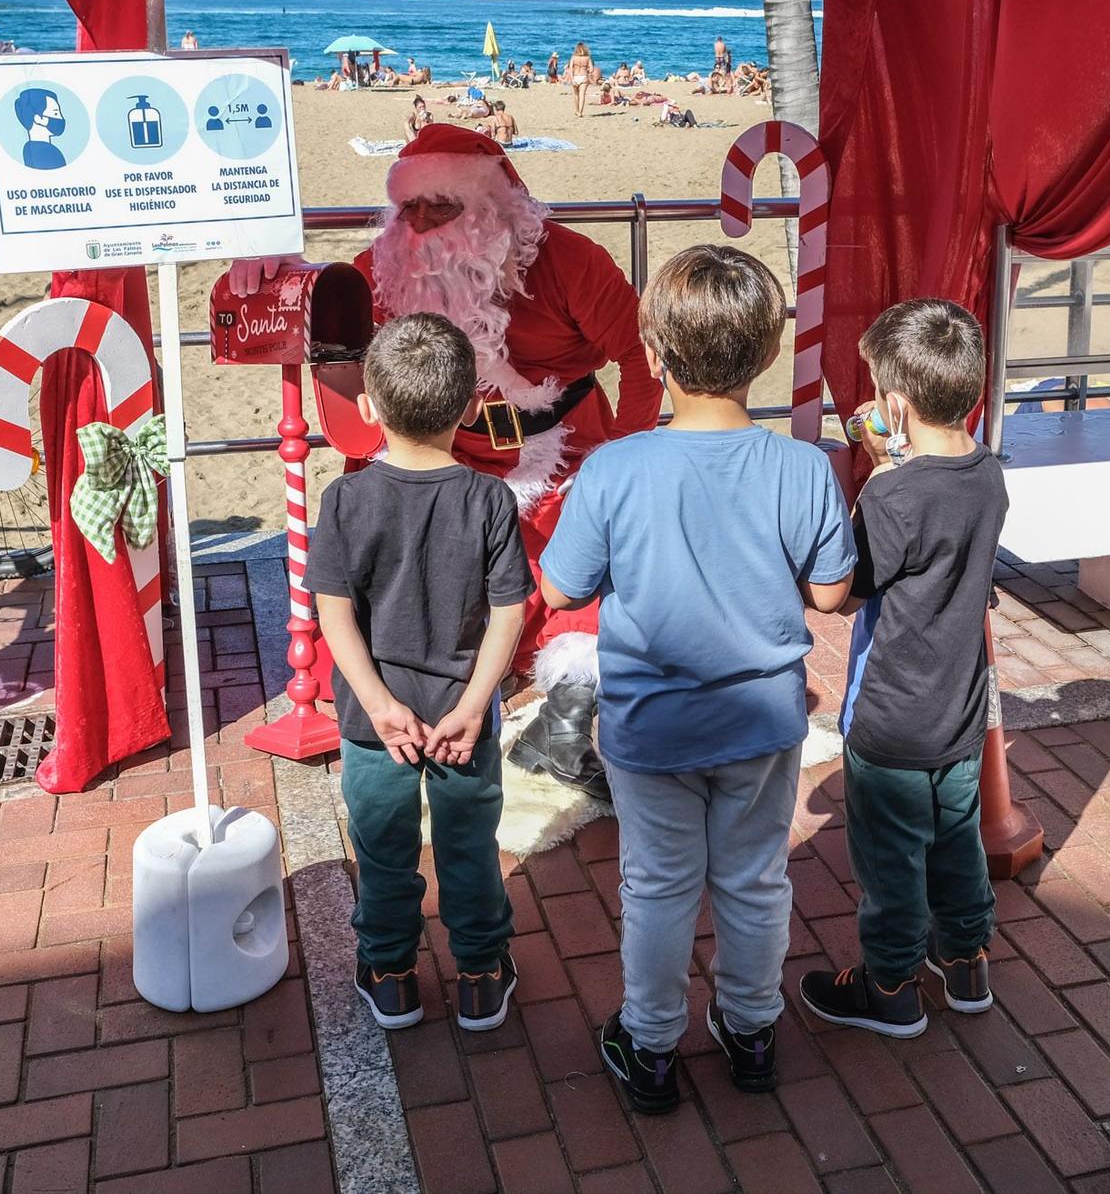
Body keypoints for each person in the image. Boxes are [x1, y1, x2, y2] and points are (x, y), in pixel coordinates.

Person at [230, 124, 662, 793]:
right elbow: (325, 324)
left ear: (494, 207)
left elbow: (641, 360)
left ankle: (569, 706)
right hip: (441, 453)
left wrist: (623, 461)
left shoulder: (573, 261)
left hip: (561, 457)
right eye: (411, 209)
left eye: (445, 207)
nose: (425, 225)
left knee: (589, 572)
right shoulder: (385, 263)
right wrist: (264, 268)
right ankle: (409, 684)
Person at [539, 243, 855, 1114]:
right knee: (754, 879)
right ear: (763, 354)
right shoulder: (803, 466)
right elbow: (831, 593)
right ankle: (751, 1030)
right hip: (761, 720)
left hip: (651, 728)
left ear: (653, 356)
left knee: (658, 883)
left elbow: (560, 586)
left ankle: (649, 1044)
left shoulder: (613, 470)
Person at [306, 312, 535, 1034]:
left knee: (383, 848)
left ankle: (391, 971)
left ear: (369, 407)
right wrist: (476, 703)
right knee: (469, 846)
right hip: (461, 717)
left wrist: (375, 702)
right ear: (470, 407)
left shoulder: (345, 499)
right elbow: (509, 613)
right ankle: (479, 974)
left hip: (375, 723)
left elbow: (333, 613)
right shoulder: (491, 500)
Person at [797, 299, 1008, 1040]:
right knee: (956, 842)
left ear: (893, 403)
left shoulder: (890, 494)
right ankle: (967, 960)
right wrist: (896, 452)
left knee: (891, 865)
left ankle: (888, 985)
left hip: (889, 718)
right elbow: (938, 504)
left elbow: (848, 595)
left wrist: (876, 473)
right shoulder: (988, 475)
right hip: (958, 713)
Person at [14, 88, 67, 170]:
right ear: (38, 118)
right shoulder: (45, 151)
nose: (61, 118)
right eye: (56, 113)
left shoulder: (30, 149)